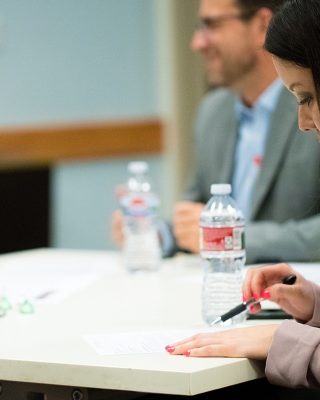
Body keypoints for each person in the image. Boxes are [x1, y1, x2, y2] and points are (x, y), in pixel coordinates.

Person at [166, 0, 320, 390]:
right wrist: (316, 305)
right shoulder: (213, 112)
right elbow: (193, 210)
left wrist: (283, 340)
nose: (305, 121)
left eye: (307, 99)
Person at [113, 0, 320, 264]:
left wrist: (234, 237)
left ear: (262, 26)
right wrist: (155, 233)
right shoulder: (213, 112)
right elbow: (195, 217)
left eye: (211, 25)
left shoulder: (313, 109)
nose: (197, 43)